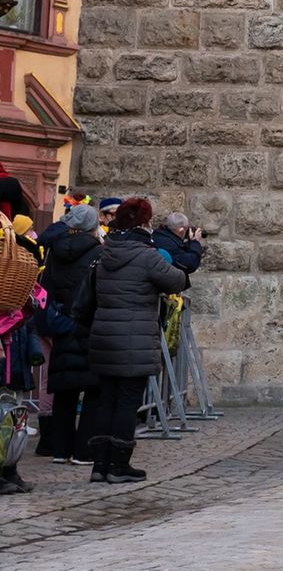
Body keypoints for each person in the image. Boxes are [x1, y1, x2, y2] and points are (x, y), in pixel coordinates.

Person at [73, 198, 186, 483]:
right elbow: (177, 280)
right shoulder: (146, 256)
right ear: (145, 223)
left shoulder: (104, 251)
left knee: (105, 401)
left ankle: (100, 465)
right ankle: (119, 465)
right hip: (133, 340)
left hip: (104, 336)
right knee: (126, 403)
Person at [39, 204, 103, 466]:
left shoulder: (55, 251)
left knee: (64, 390)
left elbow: (48, 286)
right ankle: (83, 451)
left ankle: (60, 449)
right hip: (88, 324)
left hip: (62, 322)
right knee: (92, 389)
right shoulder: (98, 252)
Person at [151, 212, 204, 278]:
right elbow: (191, 264)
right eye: (186, 229)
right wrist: (195, 242)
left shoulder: (159, 235)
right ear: (181, 230)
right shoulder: (169, 245)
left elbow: (181, 251)